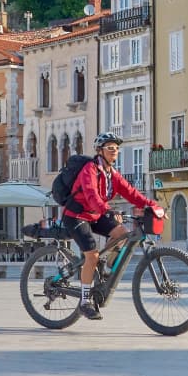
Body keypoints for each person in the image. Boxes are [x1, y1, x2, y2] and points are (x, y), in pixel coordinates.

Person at [58, 133, 159, 320]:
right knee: (92, 255)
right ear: (100, 151)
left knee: (121, 232)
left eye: (117, 148)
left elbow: (131, 193)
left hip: (95, 214)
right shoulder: (90, 169)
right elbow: (91, 195)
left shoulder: (112, 174)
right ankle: (84, 302)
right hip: (76, 216)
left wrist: (153, 206)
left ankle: (104, 267)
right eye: (110, 148)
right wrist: (108, 210)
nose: (115, 151)